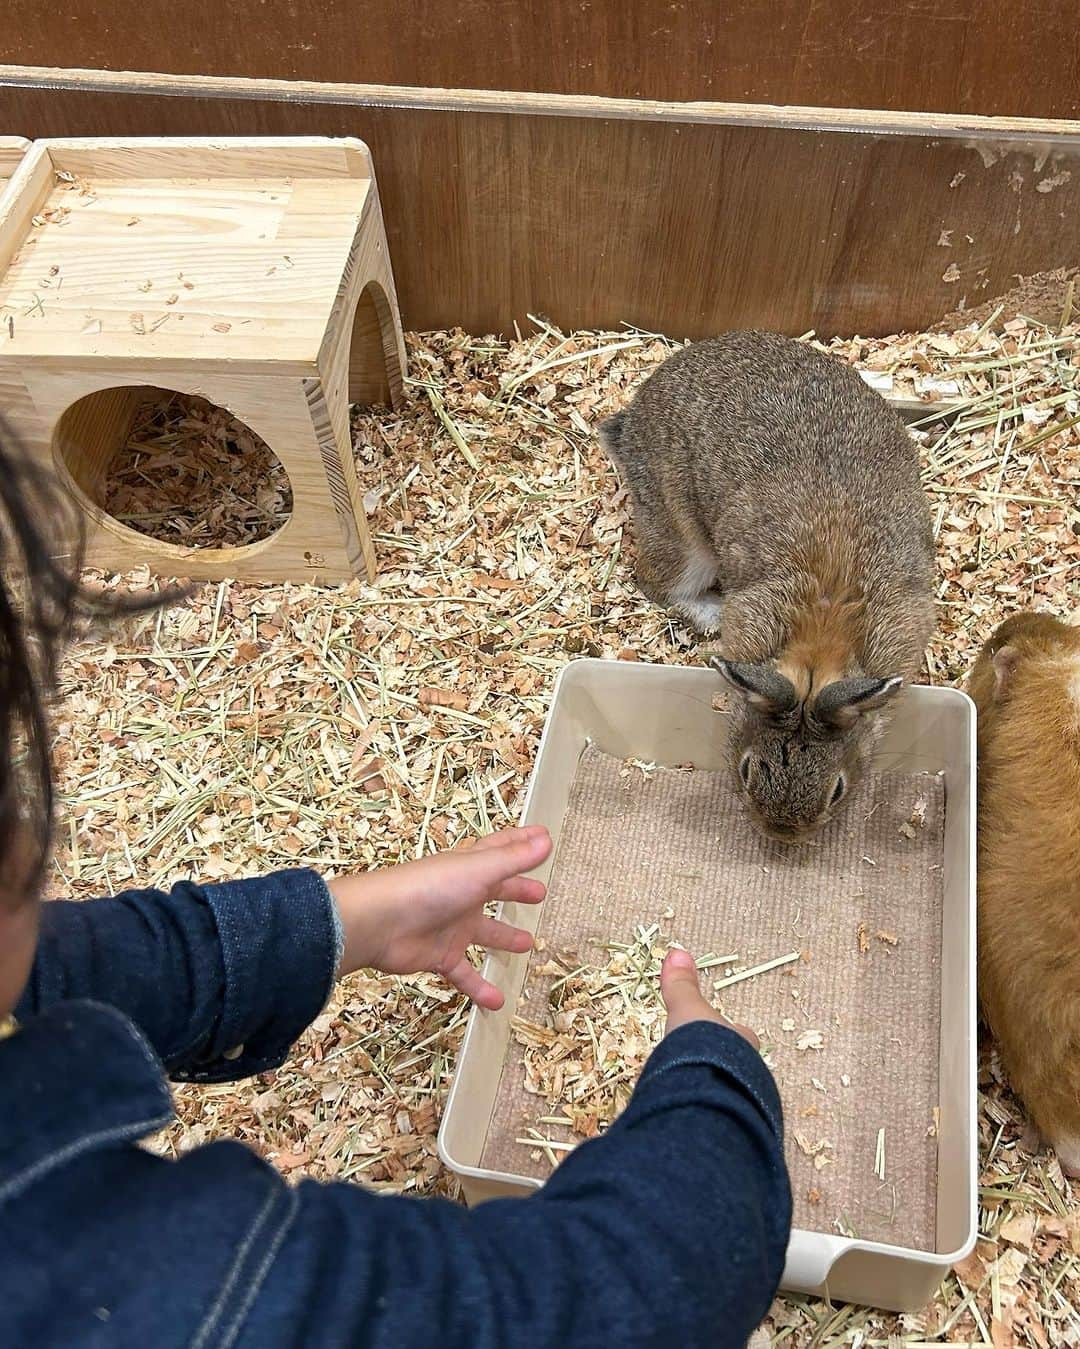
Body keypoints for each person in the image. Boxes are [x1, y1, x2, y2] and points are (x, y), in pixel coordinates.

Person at [0, 430, 792, 1348]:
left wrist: (340, 920)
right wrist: (715, 1078)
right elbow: (616, 1300)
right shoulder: (143, 1296)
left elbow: (60, 970)